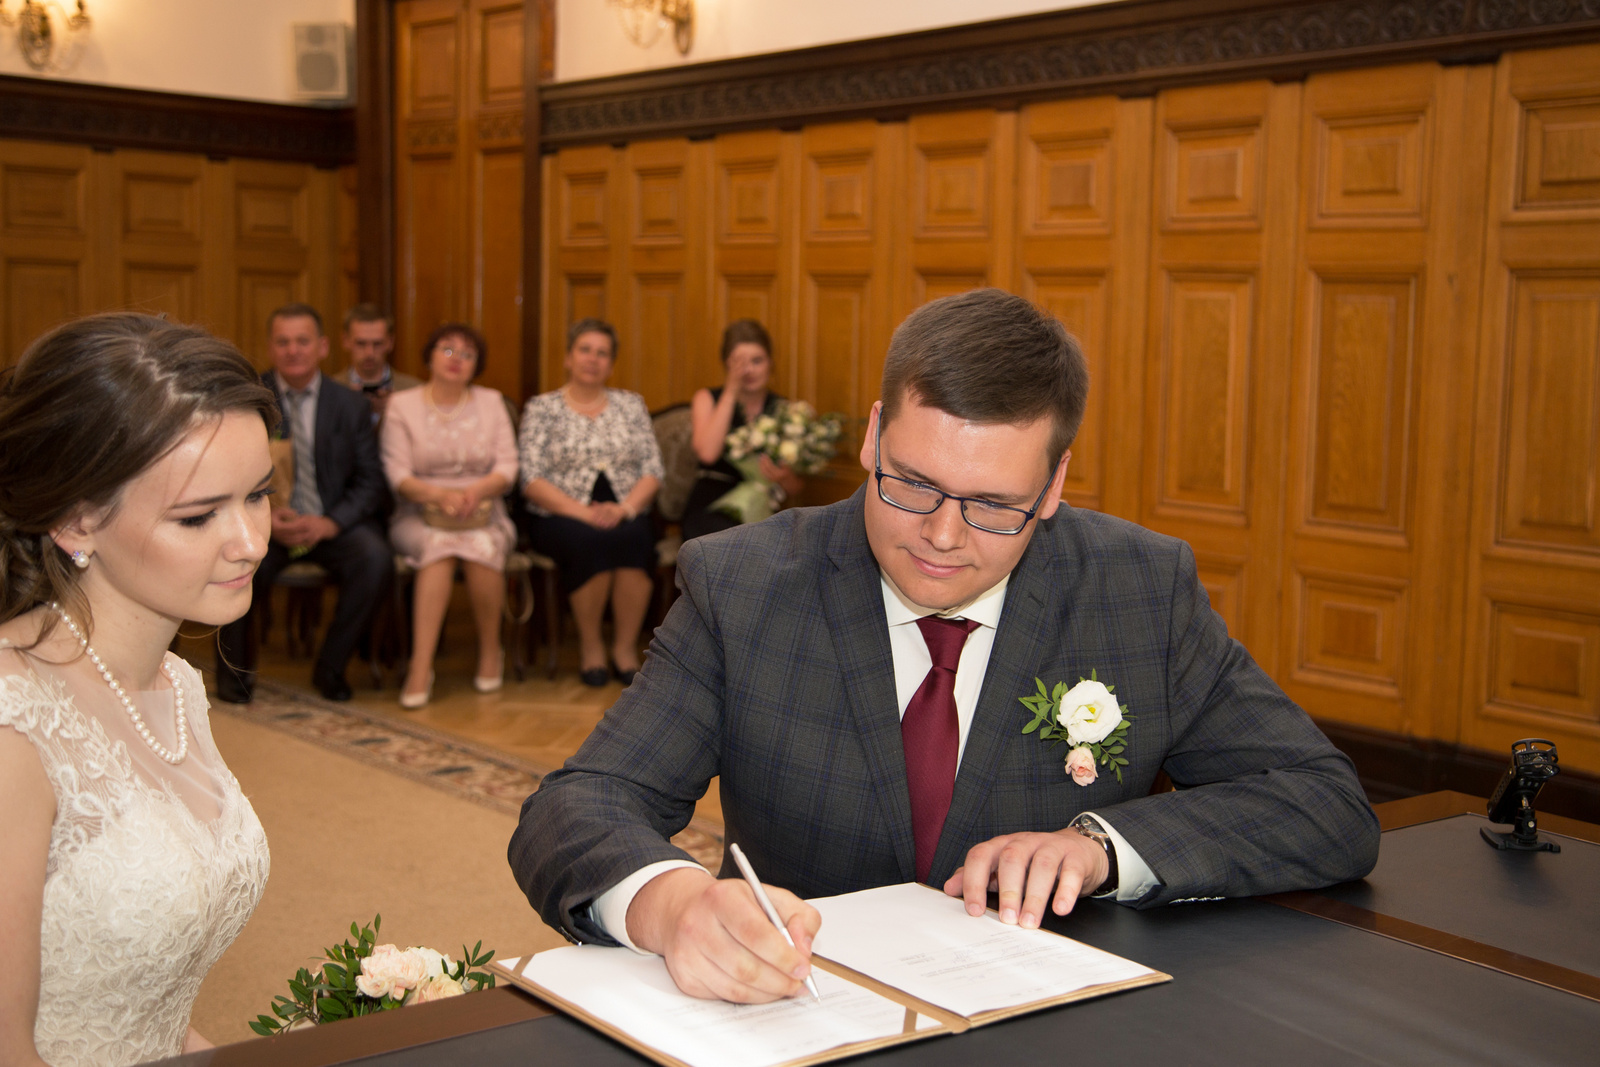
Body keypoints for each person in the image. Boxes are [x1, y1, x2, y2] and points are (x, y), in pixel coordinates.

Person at [509, 289, 1380, 1004]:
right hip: (803, 1017)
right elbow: (577, 805)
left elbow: (1325, 802)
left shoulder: (1140, 590)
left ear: (1054, 483)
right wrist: (672, 906)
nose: (942, 535)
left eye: (993, 504)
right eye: (912, 483)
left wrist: (1101, 846)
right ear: (873, 434)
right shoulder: (743, 584)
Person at [0, 313, 275, 1065]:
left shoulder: (176, 685)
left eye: (257, 494)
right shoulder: (14, 726)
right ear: (76, 520)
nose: (251, 542)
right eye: (199, 515)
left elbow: (142, 1006)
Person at [214, 303, 391, 703]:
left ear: (323, 347)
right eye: (283, 342)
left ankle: (331, 667)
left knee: (375, 559)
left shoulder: (350, 405)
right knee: (233, 561)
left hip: (330, 523)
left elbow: (370, 481)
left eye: (302, 341)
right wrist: (266, 516)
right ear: (271, 347)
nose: (293, 350)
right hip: (265, 523)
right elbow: (224, 473)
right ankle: (234, 679)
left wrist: (330, 522)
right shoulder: (244, 400)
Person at [518, 319, 663, 687]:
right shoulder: (542, 408)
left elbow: (652, 470)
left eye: (602, 353)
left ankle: (625, 648)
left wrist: (625, 509)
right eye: (584, 350)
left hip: (624, 506)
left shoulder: (631, 405)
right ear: (569, 357)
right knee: (591, 540)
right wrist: (584, 513)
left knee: (635, 538)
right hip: (560, 512)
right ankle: (591, 646)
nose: (592, 359)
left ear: (611, 364)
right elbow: (531, 478)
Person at [382, 323, 519, 707]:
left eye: (467, 354)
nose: (456, 359)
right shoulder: (402, 405)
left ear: (477, 365)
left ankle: (490, 651)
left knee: (481, 547)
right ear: (429, 356)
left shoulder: (491, 402)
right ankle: (420, 666)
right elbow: (397, 473)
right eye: (447, 349)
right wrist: (439, 496)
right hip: (418, 513)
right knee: (438, 550)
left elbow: (508, 466)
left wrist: (476, 492)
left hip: (484, 511)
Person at [681, 320, 805, 543]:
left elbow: (795, 488)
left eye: (757, 361)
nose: (748, 370)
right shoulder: (707, 398)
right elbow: (707, 454)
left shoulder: (784, 410)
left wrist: (783, 477)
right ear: (726, 365)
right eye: (739, 363)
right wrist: (731, 391)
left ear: (770, 363)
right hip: (711, 501)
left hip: (762, 505)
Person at [339, 303, 420, 424]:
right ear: (346, 341)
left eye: (377, 344)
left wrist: (396, 410)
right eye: (361, 343)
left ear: (390, 342)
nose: (369, 353)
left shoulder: (414, 391)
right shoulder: (330, 391)